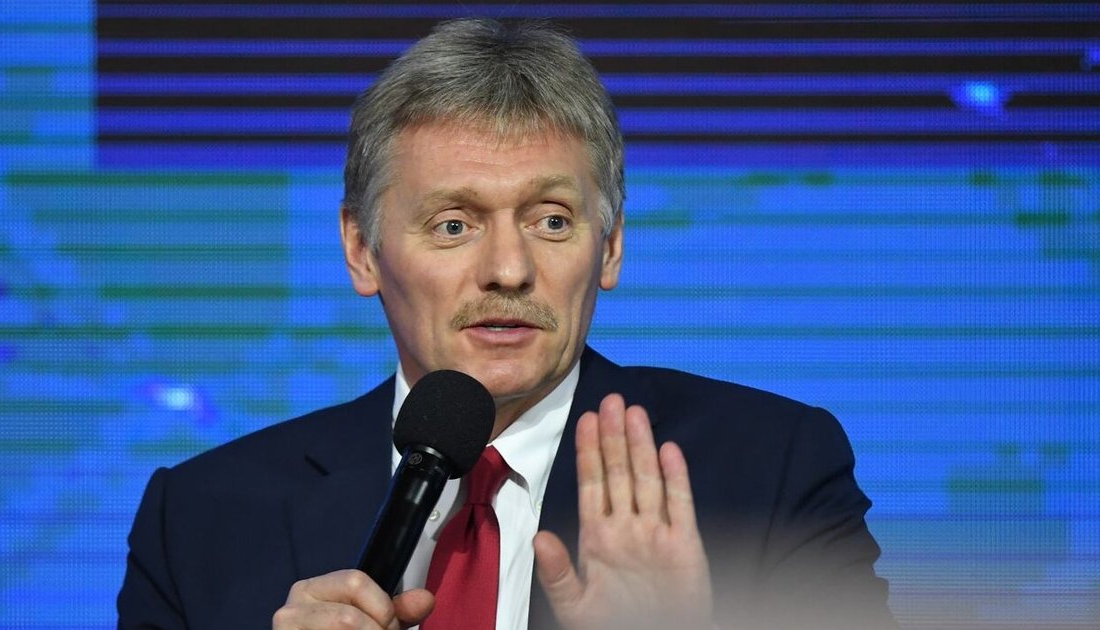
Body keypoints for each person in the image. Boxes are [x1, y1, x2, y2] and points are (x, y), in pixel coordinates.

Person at [117, 18, 895, 630]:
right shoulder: (200, 519)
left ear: (610, 247)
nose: (508, 269)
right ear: (361, 250)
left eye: (551, 221)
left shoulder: (771, 474)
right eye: (454, 225)